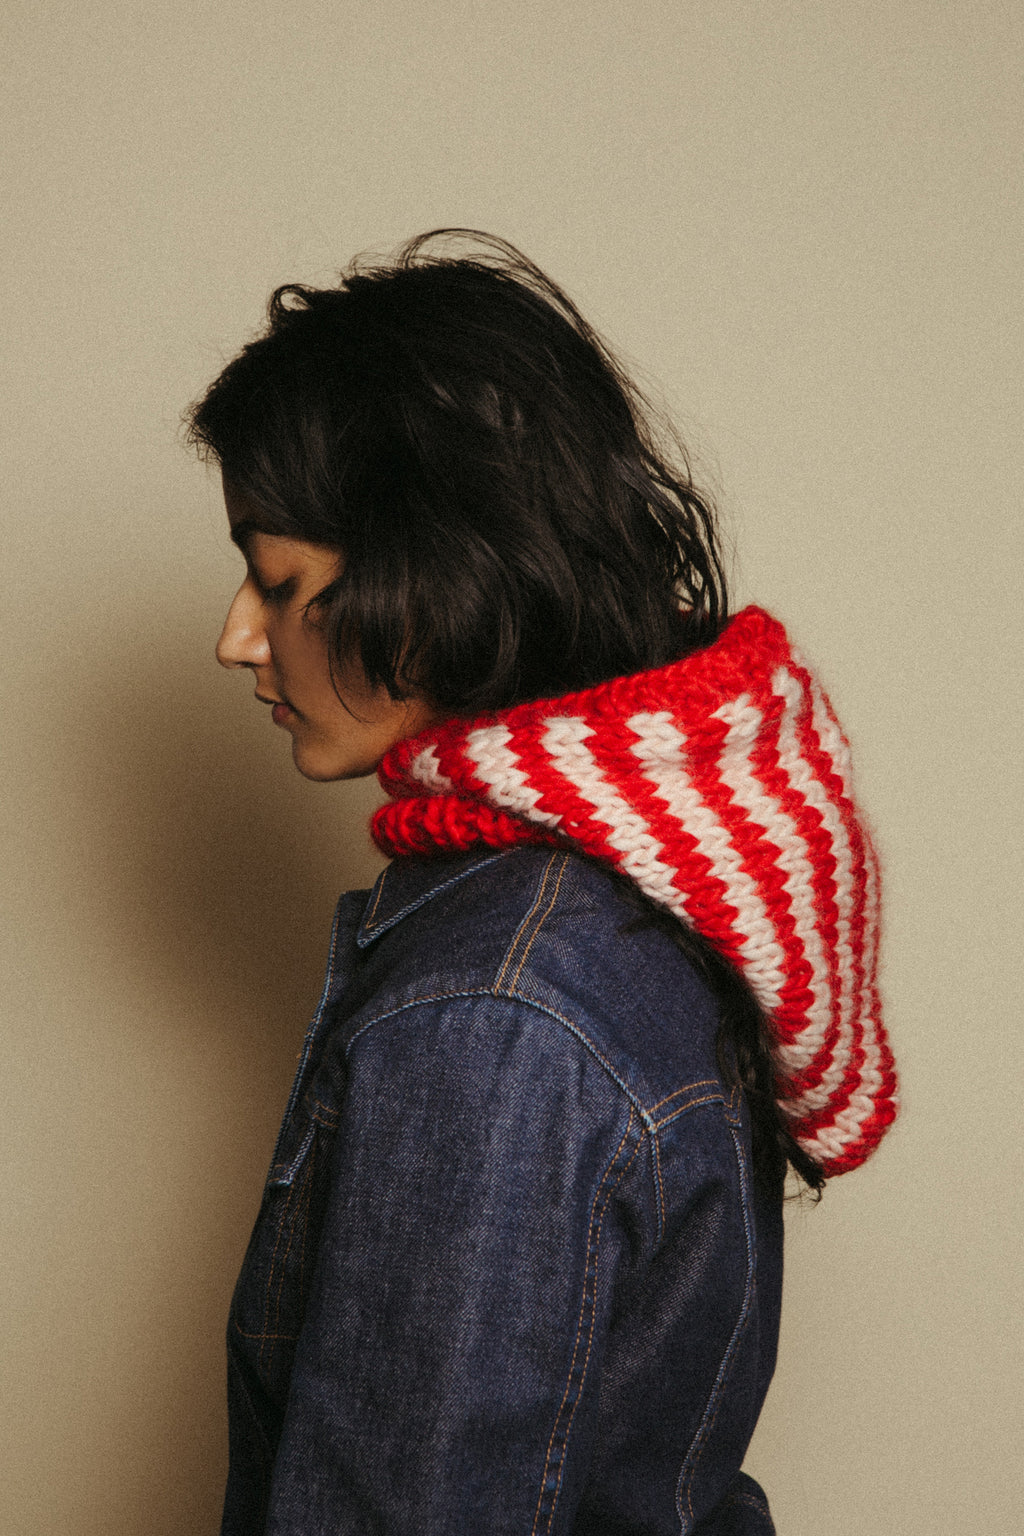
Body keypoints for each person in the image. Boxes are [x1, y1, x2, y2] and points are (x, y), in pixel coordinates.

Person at [188, 230, 898, 1536]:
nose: (238, 635)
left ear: (432, 575)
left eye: (277, 580)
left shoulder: (493, 1011)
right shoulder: (635, 898)